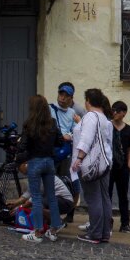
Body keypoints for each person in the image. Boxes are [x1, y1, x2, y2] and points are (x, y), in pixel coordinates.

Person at [70, 88, 113, 245]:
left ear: (88, 100)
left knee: (93, 198)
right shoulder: (104, 118)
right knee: (104, 198)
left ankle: (95, 233)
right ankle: (104, 232)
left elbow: (86, 138)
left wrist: (79, 158)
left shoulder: (90, 116)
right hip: (104, 162)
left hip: (90, 163)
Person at [19, 94, 64, 243]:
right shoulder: (52, 122)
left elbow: (22, 147)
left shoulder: (29, 124)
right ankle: (54, 229)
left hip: (35, 162)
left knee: (37, 197)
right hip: (49, 162)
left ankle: (38, 232)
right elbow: (60, 141)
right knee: (51, 197)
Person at [50, 82, 81, 222]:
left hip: (67, 151)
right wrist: (61, 135)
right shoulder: (50, 109)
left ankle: (69, 213)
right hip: (52, 150)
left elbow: (76, 131)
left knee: (68, 181)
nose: (62, 97)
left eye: (66, 95)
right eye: (60, 94)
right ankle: (51, 213)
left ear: (71, 98)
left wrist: (70, 135)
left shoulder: (73, 112)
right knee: (51, 180)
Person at [10, 162, 75, 229]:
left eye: (18, 167)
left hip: (65, 202)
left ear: (24, 164)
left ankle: (58, 222)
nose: (18, 170)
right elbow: (29, 193)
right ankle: (52, 224)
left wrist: (20, 208)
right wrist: (15, 203)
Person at [108, 100, 130, 234]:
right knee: (106, 195)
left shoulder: (128, 129)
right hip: (109, 167)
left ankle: (125, 223)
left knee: (123, 196)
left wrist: (129, 165)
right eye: (113, 110)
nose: (114, 113)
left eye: (117, 111)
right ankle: (107, 221)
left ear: (123, 113)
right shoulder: (108, 126)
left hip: (122, 168)